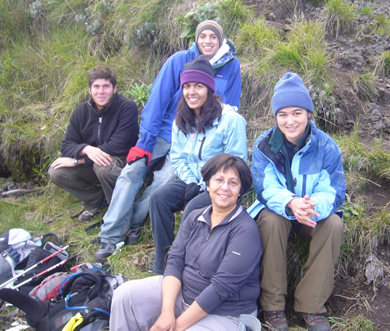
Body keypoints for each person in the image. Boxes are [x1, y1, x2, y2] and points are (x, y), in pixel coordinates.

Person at [95, 20, 242, 261]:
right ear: (195, 39)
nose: (207, 41)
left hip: (197, 138)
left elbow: (232, 105)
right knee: (132, 172)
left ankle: (132, 224)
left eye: (213, 37)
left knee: (163, 180)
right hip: (166, 130)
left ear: (221, 40)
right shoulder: (179, 61)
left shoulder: (230, 65)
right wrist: (145, 143)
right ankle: (110, 236)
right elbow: (157, 102)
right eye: (202, 36)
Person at [110, 154, 262, 331]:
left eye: (233, 183)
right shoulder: (194, 217)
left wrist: (176, 326)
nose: (225, 187)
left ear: (241, 190)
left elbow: (221, 288)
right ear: (207, 184)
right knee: (124, 295)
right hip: (183, 294)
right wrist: (167, 313)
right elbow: (175, 261)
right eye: (219, 180)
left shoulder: (245, 230)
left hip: (225, 312)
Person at [248, 73, 346, 331]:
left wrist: (310, 207)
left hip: (311, 214)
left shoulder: (326, 146)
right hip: (281, 211)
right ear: (276, 116)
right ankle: (272, 305)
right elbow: (264, 187)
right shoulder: (264, 145)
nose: (290, 121)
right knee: (270, 220)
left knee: (334, 225)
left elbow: (333, 190)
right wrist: (291, 202)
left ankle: (311, 306)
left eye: (297, 113)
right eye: (283, 114)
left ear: (309, 114)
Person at [149, 56, 247, 275]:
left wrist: (206, 185)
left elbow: (236, 163)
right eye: (187, 86)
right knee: (159, 198)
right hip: (191, 180)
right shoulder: (181, 119)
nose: (191, 92)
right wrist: (192, 181)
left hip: (223, 187)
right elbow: (178, 157)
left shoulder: (231, 120)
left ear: (210, 89)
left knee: (193, 209)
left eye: (198, 86)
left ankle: (182, 263)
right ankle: (162, 260)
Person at [48, 65, 139, 222]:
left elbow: (118, 146)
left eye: (106, 86)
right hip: (92, 164)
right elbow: (67, 145)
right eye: (96, 87)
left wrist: (78, 160)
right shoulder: (81, 111)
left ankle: (119, 211)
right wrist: (86, 149)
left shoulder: (127, 107)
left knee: (103, 166)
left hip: (121, 164)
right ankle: (95, 200)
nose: (101, 91)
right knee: (56, 171)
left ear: (115, 88)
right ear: (90, 90)